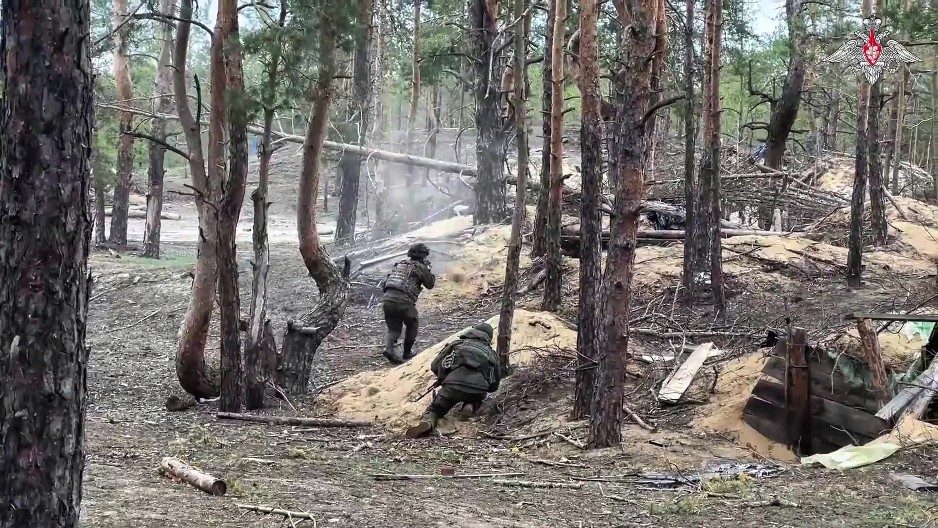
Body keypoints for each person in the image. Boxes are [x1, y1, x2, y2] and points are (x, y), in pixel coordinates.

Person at [406, 322, 505, 438]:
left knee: (435, 409)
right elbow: (494, 386)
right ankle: (470, 405)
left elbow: (435, 365)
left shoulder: (457, 344)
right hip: (477, 389)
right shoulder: (492, 354)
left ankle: (428, 422)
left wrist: (444, 379)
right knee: (478, 396)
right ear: (489, 338)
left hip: (452, 385)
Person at [377, 243, 436, 365]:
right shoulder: (420, 267)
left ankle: (389, 349)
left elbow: (386, 282)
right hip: (403, 300)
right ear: (423, 256)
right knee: (413, 323)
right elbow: (430, 285)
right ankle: (407, 352)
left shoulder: (400, 265)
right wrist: (428, 271)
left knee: (393, 329)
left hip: (387, 299)